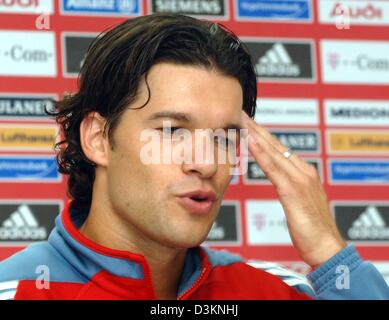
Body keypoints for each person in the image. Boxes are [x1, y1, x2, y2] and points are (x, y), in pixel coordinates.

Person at [0, 13, 388, 300]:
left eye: (223, 137)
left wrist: (327, 250)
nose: (206, 163)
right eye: (172, 131)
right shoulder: (17, 291)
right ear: (98, 139)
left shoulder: (270, 291)